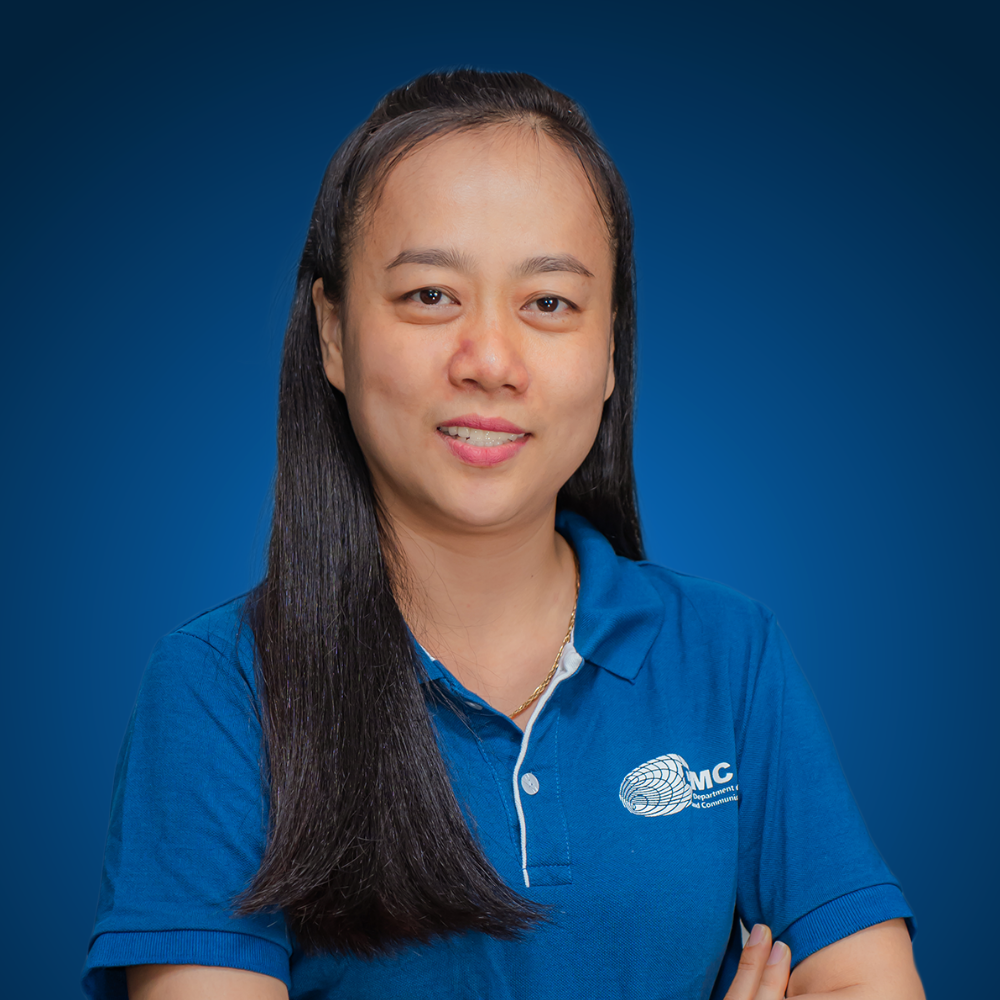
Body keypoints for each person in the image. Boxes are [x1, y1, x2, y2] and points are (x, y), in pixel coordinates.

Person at [82, 70, 925, 1000]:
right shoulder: (219, 689)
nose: (490, 360)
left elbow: (869, 981)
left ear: (611, 350)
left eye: (549, 303)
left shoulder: (728, 654)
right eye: (430, 295)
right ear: (332, 333)